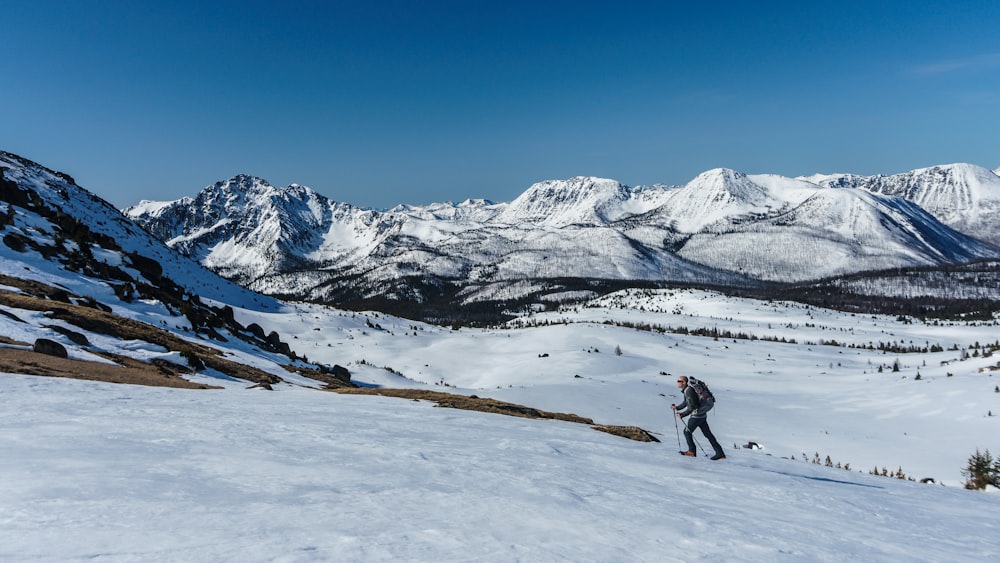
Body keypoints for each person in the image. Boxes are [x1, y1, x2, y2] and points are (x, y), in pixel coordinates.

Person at [672, 375, 726, 460]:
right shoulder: (688, 390)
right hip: (702, 415)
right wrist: (677, 408)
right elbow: (686, 402)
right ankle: (720, 453)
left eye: (679, 381)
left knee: (687, 432)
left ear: (684, 382)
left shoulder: (688, 391)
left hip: (696, 416)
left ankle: (692, 451)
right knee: (708, 434)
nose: (677, 382)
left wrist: (682, 414)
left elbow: (692, 406)